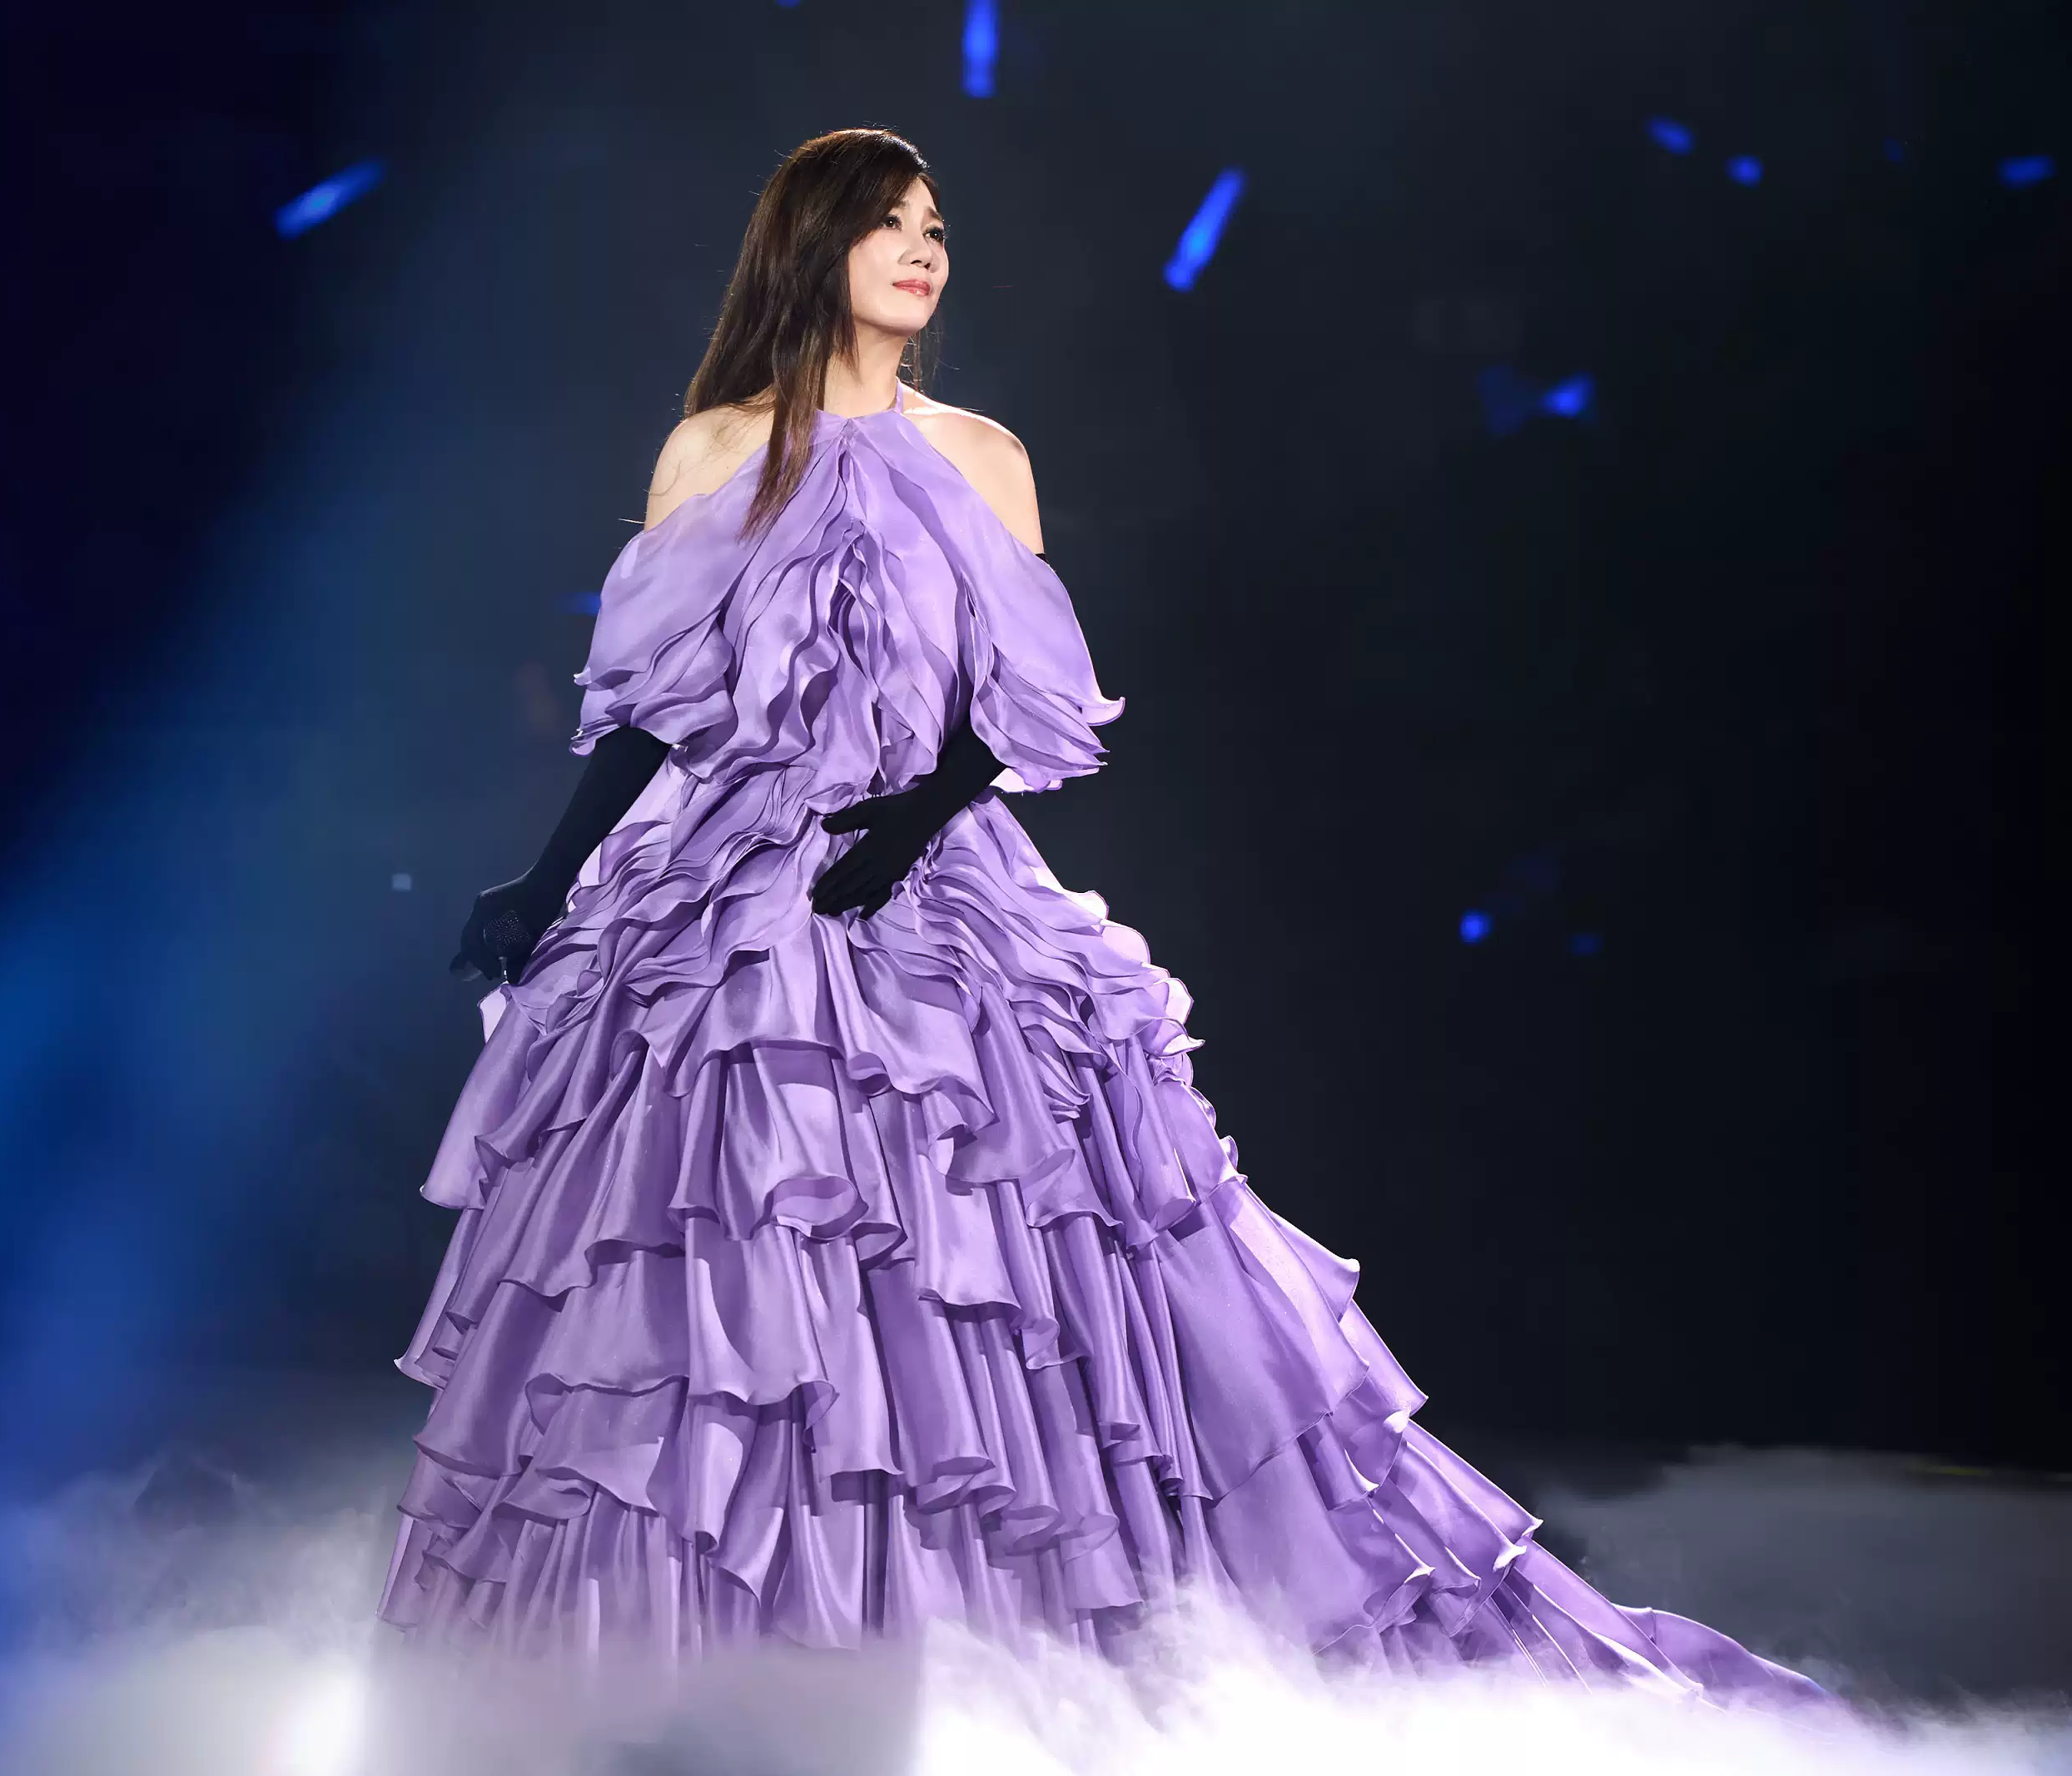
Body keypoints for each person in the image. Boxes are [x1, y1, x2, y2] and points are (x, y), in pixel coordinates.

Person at [379, 127, 1819, 1704]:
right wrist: (548, 876)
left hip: (932, 895)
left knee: (985, 1253)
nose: (923, 250)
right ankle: (695, 1660)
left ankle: (986, 1645)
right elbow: (658, 706)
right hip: (730, 894)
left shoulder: (983, 455)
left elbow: (1018, 700)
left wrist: (916, 819)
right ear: (809, 244)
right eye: (887, 223)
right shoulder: (714, 449)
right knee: (713, 1259)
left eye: (936, 227)